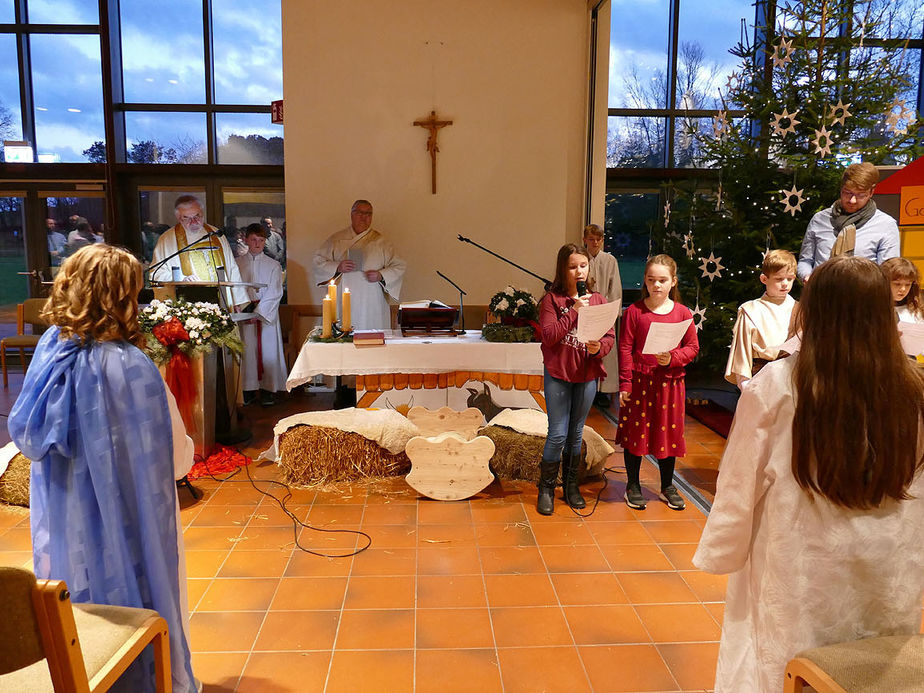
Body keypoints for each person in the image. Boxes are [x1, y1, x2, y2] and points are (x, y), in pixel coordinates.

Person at [693, 255, 924, 693]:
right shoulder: (912, 387)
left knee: (784, 666)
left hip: (800, 562)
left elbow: (740, 484)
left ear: (812, 310)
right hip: (888, 562)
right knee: (875, 670)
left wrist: (723, 551)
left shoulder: (778, 385)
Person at [7, 244, 198, 693]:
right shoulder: (130, 366)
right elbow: (174, 459)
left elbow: (28, 433)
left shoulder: (50, 349)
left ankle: (81, 669)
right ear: (123, 296)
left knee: (74, 582)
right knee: (136, 581)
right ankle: (142, 674)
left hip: (64, 505)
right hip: (129, 510)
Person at [537, 243, 615, 515]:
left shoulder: (599, 301)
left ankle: (571, 486)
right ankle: (546, 489)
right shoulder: (552, 300)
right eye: (573, 267)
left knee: (576, 434)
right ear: (563, 269)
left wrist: (599, 348)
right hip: (559, 373)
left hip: (586, 374)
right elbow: (548, 336)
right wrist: (573, 312)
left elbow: (609, 338)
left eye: (583, 265)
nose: (579, 271)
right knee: (557, 434)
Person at [616, 254, 698, 511]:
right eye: (651, 280)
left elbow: (693, 347)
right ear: (645, 281)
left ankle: (667, 485)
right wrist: (625, 383)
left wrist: (672, 358)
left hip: (670, 384)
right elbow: (625, 348)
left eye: (662, 280)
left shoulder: (683, 313)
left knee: (668, 432)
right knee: (636, 434)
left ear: (673, 281)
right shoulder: (635, 312)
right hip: (641, 382)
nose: (657, 285)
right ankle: (633, 484)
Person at [312, 199, 406, 330]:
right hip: (341, 297)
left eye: (368, 214)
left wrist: (381, 275)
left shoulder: (381, 242)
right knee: (343, 336)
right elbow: (318, 262)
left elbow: (399, 266)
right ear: (352, 214)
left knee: (371, 334)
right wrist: (337, 267)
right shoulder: (337, 239)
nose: (364, 217)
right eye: (360, 213)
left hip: (371, 299)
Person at [797, 162, 899, 281]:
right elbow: (805, 261)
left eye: (861, 195)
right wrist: (807, 277)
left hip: (864, 295)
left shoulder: (885, 225)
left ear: (871, 192)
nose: (852, 200)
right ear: (841, 188)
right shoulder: (819, 219)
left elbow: (888, 272)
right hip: (821, 293)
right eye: (847, 193)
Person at [150, 194, 248, 308]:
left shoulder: (216, 234)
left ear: (202, 213)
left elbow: (231, 268)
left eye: (197, 216)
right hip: (187, 305)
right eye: (187, 218)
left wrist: (237, 301)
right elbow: (156, 274)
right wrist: (181, 279)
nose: (194, 222)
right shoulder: (167, 239)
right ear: (178, 218)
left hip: (221, 302)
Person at [724, 249, 798, 388]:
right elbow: (742, 351)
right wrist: (745, 384)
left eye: (790, 279)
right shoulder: (751, 310)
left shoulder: (800, 310)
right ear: (764, 279)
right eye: (779, 279)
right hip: (761, 378)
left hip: (793, 378)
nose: (785, 284)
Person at [236, 223, 287, 406]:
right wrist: (244, 307)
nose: (257, 243)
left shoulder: (273, 265)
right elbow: (234, 288)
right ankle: (248, 389)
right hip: (245, 312)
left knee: (268, 350)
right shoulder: (237, 263)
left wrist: (259, 312)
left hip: (265, 314)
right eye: (254, 240)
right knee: (247, 351)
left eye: (261, 240)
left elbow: (275, 291)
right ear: (246, 240)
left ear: (265, 241)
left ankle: (268, 389)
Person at [583, 224, 622, 408]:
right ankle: (586, 389)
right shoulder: (581, 259)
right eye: (592, 239)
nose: (596, 242)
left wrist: (612, 312)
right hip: (585, 310)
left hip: (604, 309)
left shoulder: (609, 260)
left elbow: (615, 288)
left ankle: (603, 391)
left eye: (599, 239)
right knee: (587, 349)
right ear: (585, 240)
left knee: (605, 350)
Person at [881, 257, 924, 323]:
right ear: (884, 282)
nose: (903, 289)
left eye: (908, 284)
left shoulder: (916, 309)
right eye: (897, 284)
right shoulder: (874, 309)